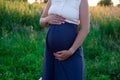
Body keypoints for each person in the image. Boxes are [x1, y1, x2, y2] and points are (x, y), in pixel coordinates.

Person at [39, 0, 90, 80]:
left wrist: (71, 51)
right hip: (51, 53)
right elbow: (41, 21)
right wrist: (47, 19)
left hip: (71, 53)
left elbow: (85, 29)